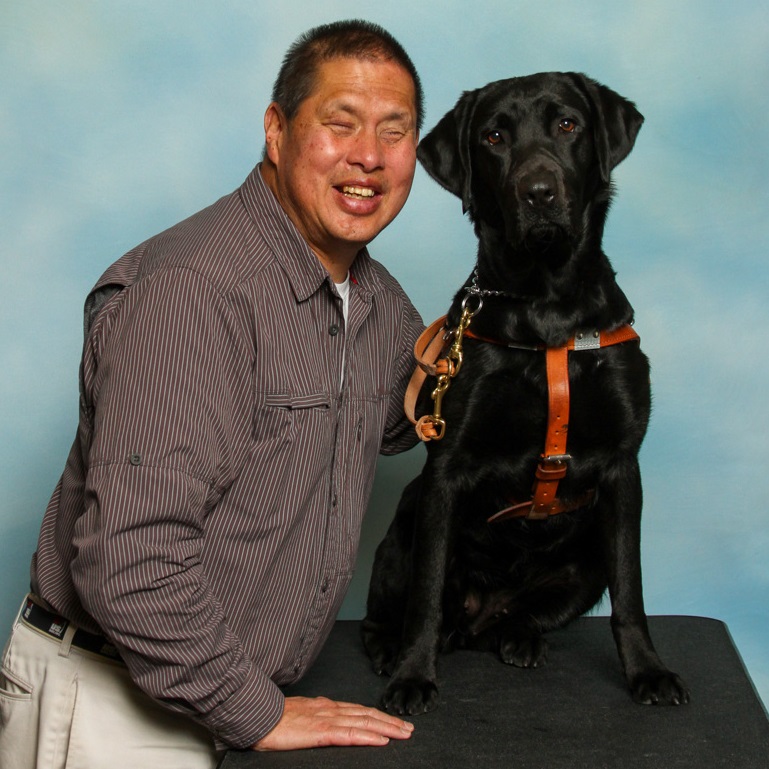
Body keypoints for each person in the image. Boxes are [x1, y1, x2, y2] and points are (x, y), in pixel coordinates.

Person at [0, 19, 425, 768]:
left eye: (395, 132)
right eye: (340, 123)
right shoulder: (191, 294)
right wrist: (254, 710)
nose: (369, 156)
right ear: (276, 130)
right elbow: (132, 563)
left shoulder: (378, 301)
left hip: (228, 691)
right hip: (114, 701)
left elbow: (396, 423)